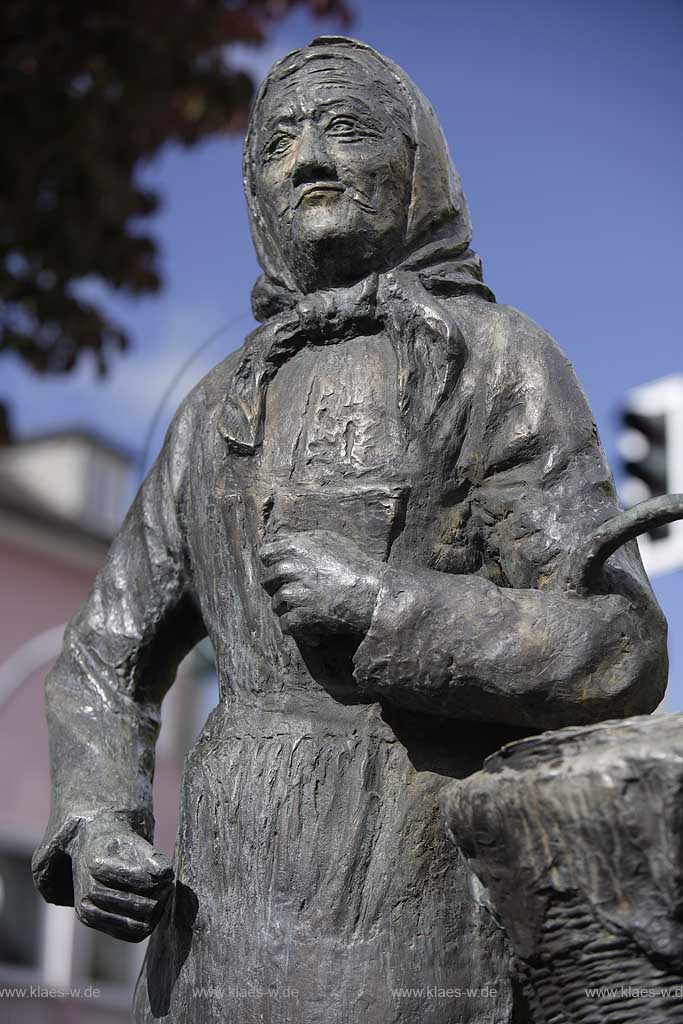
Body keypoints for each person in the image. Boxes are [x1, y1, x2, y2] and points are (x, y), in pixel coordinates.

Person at [32, 37, 667, 1024]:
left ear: (416, 166)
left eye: (343, 128)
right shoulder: (216, 407)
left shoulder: (496, 360)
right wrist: (96, 818)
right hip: (218, 916)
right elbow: (101, 659)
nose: (307, 160)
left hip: (414, 876)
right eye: (278, 141)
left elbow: (617, 644)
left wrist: (389, 609)